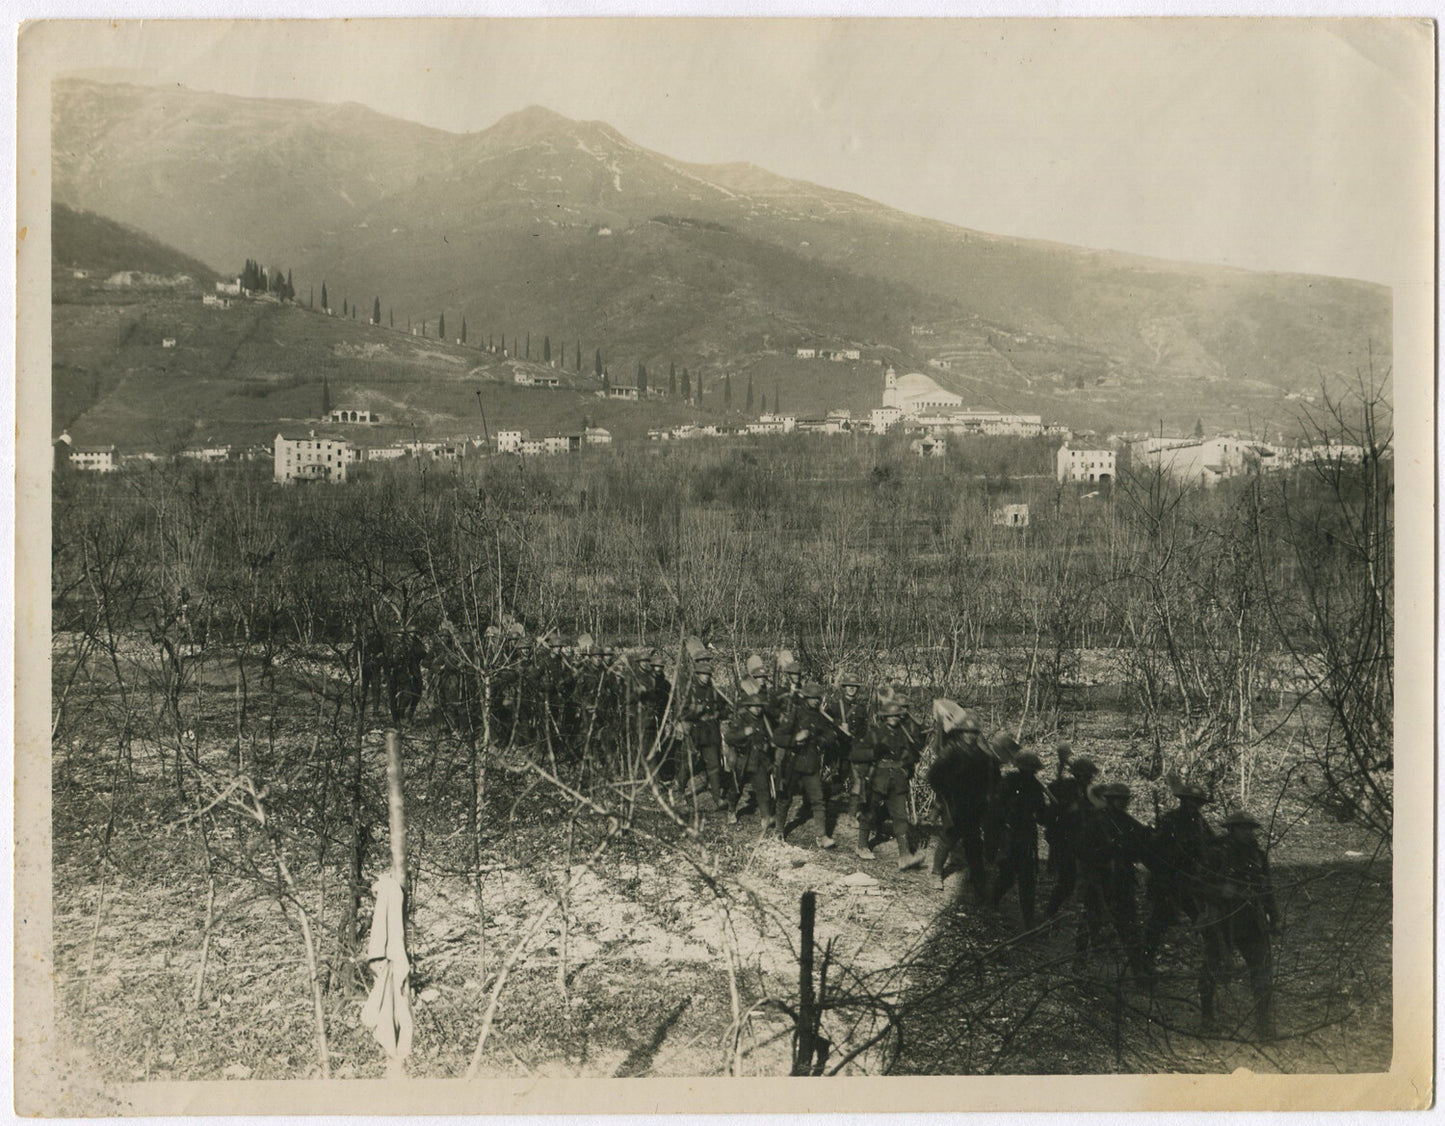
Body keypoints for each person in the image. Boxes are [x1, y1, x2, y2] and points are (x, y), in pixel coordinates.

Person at [1198, 810, 1280, 1039]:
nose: (1247, 833)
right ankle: (1207, 1015)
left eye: (1250, 829)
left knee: (1263, 969)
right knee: (1211, 966)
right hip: (1223, 920)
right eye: (1242, 828)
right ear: (1231, 830)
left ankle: (1264, 1023)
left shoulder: (1257, 855)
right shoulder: (1216, 853)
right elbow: (1197, 885)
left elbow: (1267, 887)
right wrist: (1220, 891)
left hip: (1252, 919)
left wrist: (1274, 917)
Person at [1074, 781, 1152, 980]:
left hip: (1122, 879)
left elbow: (1141, 846)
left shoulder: (1127, 821)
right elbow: (1082, 851)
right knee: (1089, 921)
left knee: (1128, 924)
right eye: (1118, 800)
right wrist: (1108, 851)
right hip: (1098, 879)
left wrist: (1148, 837)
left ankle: (1138, 971)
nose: (1121, 804)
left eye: (1124, 800)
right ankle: (1078, 964)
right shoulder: (1095, 821)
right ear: (1109, 800)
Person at [926, 709, 998, 897]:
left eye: (973, 733)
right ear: (959, 733)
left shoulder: (982, 755)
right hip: (953, 803)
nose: (969, 736)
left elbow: (988, 779)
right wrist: (945, 793)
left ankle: (978, 880)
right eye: (966, 732)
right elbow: (933, 776)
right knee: (949, 837)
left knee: (973, 842)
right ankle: (936, 873)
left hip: (972, 804)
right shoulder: (951, 751)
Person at [1143, 780, 1215, 964]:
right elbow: (1154, 849)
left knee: (1202, 920)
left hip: (1190, 881)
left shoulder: (1199, 822)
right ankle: (1144, 960)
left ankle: (1216, 960)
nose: (1194, 806)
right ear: (1183, 801)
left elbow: (1210, 844)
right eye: (1191, 801)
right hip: (1169, 880)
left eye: (1198, 803)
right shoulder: (1171, 821)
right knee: (1158, 923)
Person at [856, 700, 924, 870]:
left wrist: (908, 763)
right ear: (884, 716)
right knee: (869, 811)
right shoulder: (875, 732)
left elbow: (913, 753)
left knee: (900, 816)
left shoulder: (904, 733)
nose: (893, 718)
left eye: (896, 715)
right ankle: (862, 845)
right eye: (890, 715)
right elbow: (857, 753)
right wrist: (873, 754)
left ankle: (904, 855)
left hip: (898, 780)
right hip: (878, 777)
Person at [988, 751, 1049, 930]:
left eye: (1031, 771)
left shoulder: (1036, 788)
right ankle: (991, 903)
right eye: (1026, 770)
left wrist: (1052, 813)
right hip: (1009, 835)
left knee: (1026, 879)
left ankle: (1028, 921)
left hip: (1025, 837)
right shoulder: (1008, 784)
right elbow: (996, 810)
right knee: (1008, 875)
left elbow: (1041, 815)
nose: (1029, 773)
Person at [772, 681, 835, 848]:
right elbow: (777, 737)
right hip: (793, 761)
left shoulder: (821, 717)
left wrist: (822, 740)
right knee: (785, 797)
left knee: (818, 800)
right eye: (812, 698)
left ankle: (821, 836)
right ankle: (778, 831)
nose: (816, 701)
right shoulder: (796, 713)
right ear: (806, 698)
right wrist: (795, 739)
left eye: (818, 698)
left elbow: (831, 735)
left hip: (811, 763)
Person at [1043, 753, 1099, 917]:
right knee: (1067, 881)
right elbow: (1054, 812)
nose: (1089, 779)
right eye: (1086, 775)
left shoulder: (1089, 792)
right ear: (1078, 775)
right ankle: (1050, 913)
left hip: (1082, 840)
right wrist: (1069, 809)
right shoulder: (1064, 787)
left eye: (1090, 776)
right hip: (1065, 839)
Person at [678, 660, 732, 810]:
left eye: (708, 674)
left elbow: (724, 709)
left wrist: (720, 713)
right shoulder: (689, 691)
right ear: (697, 675)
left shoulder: (715, 691)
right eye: (703, 674)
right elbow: (681, 714)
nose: (706, 677)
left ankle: (717, 798)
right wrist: (696, 711)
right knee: (688, 764)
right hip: (695, 732)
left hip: (710, 732)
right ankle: (679, 792)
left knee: (714, 765)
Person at [725, 693, 774, 830]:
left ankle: (765, 817)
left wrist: (767, 745)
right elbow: (728, 737)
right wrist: (743, 733)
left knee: (763, 788)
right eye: (754, 706)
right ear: (749, 707)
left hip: (758, 759)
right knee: (736, 788)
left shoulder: (765, 720)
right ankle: (732, 810)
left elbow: (771, 736)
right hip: (743, 759)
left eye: (760, 706)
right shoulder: (741, 720)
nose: (757, 709)